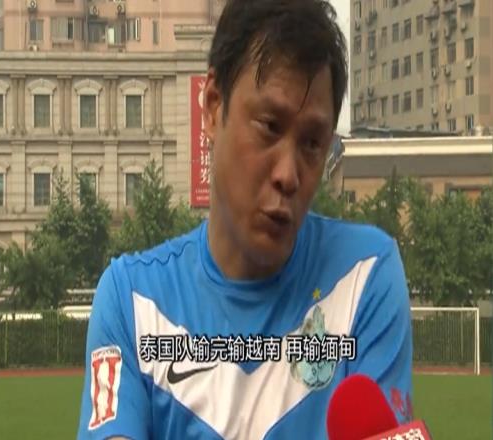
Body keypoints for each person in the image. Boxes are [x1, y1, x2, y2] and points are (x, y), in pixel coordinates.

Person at [77, 0, 413, 439]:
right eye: (270, 126)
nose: (288, 174)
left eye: (312, 144)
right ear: (213, 107)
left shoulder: (365, 275)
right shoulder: (132, 300)